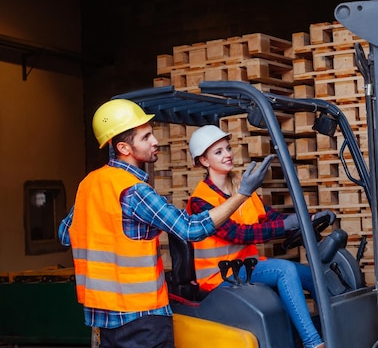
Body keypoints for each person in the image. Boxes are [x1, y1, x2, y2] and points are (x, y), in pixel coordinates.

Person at [58, 99, 273, 348]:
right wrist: (242, 193)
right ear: (124, 148)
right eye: (146, 137)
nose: (155, 141)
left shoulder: (89, 184)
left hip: (103, 318)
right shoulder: (135, 191)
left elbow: (66, 234)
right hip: (142, 318)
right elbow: (191, 229)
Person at [186, 125, 335, 348]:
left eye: (227, 148)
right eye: (218, 152)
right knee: (284, 270)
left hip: (246, 267)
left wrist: (308, 219)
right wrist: (287, 225)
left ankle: (333, 331)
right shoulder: (201, 201)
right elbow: (239, 234)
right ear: (204, 161)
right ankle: (314, 343)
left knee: (315, 274)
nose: (227, 154)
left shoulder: (241, 188)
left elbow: (271, 217)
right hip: (220, 275)